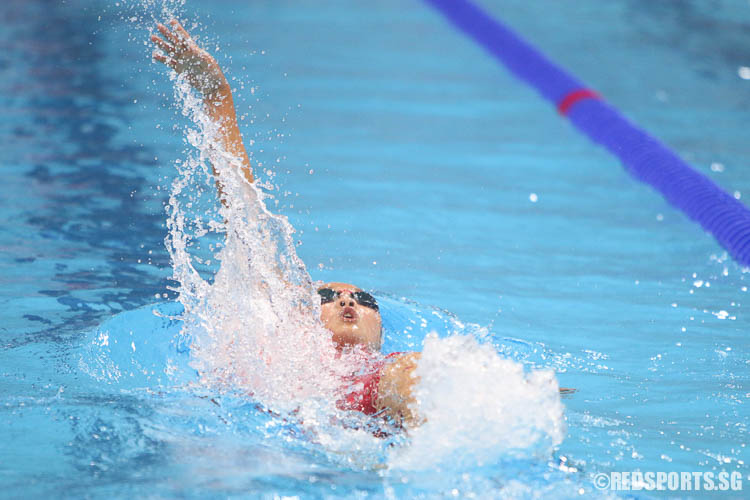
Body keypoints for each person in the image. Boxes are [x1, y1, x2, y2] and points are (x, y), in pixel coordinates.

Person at [151, 20, 421, 428]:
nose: (348, 302)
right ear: (301, 318)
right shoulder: (287, 359)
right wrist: (216, 95)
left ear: (381, 330)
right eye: (328, 296)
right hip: (309, 429)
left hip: (374, 401)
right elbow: (242, 208)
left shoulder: (384, 369)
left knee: (415, 373)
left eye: (364, 301)